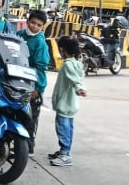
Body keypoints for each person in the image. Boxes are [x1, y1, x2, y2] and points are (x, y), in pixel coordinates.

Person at [49, 35, 87, 167]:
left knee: (62, 128)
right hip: (71, 104)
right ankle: (65, 151)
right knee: (69, 128)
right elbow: (78, 78)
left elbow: (74, 79)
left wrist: (79, 88)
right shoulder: (78, 64)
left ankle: (65, 155)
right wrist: (80, 87)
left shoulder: (67, 66)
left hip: (64, 104)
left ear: (62, 49)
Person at [16, 10, 50, 158]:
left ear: (43, 27)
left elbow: (41, 67)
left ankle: (28, 148)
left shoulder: (40, 43)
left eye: (39, 25)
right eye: (33, 23)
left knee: (30, 118)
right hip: (18, 81)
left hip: (33, 86)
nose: (35, 27)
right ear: (27, 21)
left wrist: (38, 88)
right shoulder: (20, 35)